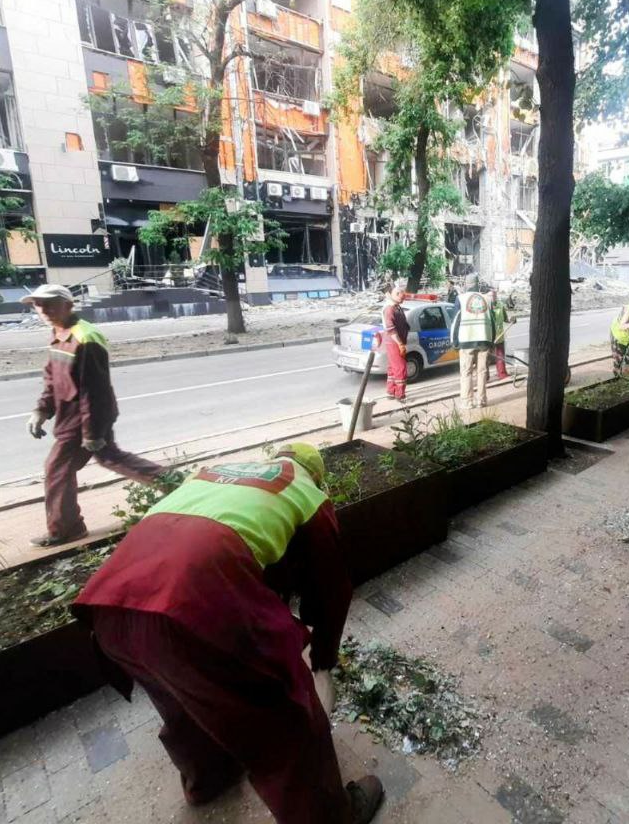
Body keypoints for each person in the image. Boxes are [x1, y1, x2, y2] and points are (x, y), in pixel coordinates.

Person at [72, 443, 384, 824]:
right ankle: (333, 818)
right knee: (289, 719)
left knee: (181, 697)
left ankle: (208, 779)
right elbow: (331, 589)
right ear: (316, 476)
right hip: (192, 607)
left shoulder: (215, 472)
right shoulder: (306, 493)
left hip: (111, 606)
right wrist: (322, 662)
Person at [23, 284, 167, 547]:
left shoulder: (85, 338)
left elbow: (95, 390)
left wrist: (92, 433)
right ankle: (177, 484)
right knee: (111, 458)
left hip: (84, 418)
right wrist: (41, 410)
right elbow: (52, 379)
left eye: (50, 303)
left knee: (56, 469)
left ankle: (66, 529)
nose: (43, 309)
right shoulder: (59, 333)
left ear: (68, 305)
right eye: (37, 304)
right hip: (72, 416)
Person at [450, 279, 495, 408]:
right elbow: (492, 321)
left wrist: (454, 342)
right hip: (484, 340)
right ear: (478, 285)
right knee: (482, 372)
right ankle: (482, 400)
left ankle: (467, 402)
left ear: (466, 285)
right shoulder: (487, 299)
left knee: (466, 372)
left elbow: (455, 321)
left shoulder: (461, 298)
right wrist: (492, 341)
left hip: (466, 340)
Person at [381, 283, 410, 401]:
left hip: (395, 341)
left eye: (402, 294)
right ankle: (400, 395)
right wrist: (400, 344)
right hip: (394, 342)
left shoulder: (396, 306)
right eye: (398, 294)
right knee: (400, 368)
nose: (401, 296)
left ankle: (391, 391)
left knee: (393, 368)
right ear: (390, 294)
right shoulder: (389, 309)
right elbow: (391, 329)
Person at [488, 290, 515, 381]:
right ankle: (485, 376)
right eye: (491, 295)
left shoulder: (500, 305)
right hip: (488, 335)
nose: (493, 297)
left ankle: (502, 373)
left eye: (494, 295)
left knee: (500, 355)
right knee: (485, 357)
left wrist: (511, 320)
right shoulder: (485, 306)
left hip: (499, 335)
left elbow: (505, 319)